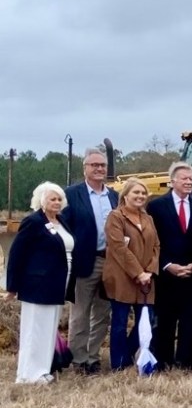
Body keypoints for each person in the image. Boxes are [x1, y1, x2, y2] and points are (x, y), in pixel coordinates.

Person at [6, 182, 75, 383]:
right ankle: (28, 374)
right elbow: (17, 253)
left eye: (59, 199)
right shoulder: (33, 221)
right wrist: (12, 286)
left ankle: (43, 369)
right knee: (34, 328)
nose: (56, 202)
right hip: (38, 285)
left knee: (49, 328)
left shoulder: (62, 221)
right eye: (52, 198)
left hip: (58, 284)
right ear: (42, 201)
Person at [147, 162, 192, 370]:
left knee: (190, 320)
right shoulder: (156, 206)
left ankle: (186, 361)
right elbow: (153, 241)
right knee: (165, 320)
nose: (188, 181)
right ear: (172, 181)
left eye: (190, 178)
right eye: (184, 178)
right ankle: (163, 361)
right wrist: (167, 265)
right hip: (166, 275)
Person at [63, 148, 119, 374]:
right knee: (80, 314)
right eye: (94, 165)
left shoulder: (114, 196)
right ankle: (78, 360)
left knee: (103, 314)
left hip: (111, 263)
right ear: (84, 168)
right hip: (85, 262)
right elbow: (63, 227)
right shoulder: (72, 194)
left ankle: (93, 357)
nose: (99, 169)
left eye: (102, 165)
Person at [101, 178, 160, 372]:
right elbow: (118, 248)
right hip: (122, 278)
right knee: (120, 322)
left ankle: (127, 354)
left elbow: (156, 246)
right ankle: (119, 364)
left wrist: (150, 270)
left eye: (143, 193)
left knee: (148, 319)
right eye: (136, 193)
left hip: (146, 280)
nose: (140, 196)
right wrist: (138, 272)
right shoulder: (115, 217)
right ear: (125, 195)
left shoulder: (148, 218)